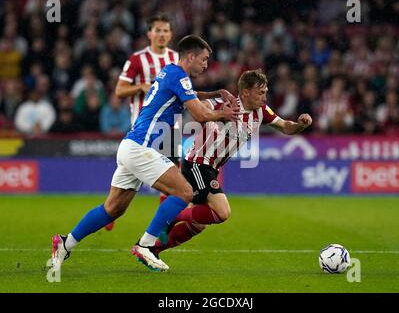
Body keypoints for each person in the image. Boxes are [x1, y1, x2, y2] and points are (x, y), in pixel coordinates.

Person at [51, 35, 240, 272]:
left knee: (113, 208)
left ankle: (65, 244)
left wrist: (215, 94)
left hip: (130, 146)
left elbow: (191, 97)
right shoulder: (178, 76)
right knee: (184, 191)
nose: (205, 64)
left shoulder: (170, 73)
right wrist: (224, 115)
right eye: (203, 59)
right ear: (190, 57)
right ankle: (146, 245)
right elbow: (200, 115)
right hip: (142, 147)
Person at [150, 69, 312, 257]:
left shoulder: (262, 111)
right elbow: (197, 106)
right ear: (245, 92)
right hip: (198, 163)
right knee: (222, 211)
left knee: (199, 224)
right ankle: (171, 216)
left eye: (265, 92)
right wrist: (214, 108)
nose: (264, 96)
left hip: (211, 168)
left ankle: (154, 249)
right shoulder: (226, 104)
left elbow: (286, 127)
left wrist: (301, 125)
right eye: (260, 92)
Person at [104, 14, 177, 231]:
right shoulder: (137, 59)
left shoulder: (176, 59)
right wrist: (141, 87)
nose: (162, 34)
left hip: (170, 128)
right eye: (158, 30)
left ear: (171, 34)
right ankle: (110, 211)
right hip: (142, 129)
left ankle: (162, 229)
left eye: (166, 30)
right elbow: (119, 90)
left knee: (173, 177)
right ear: (149, 34)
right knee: (127, 179)